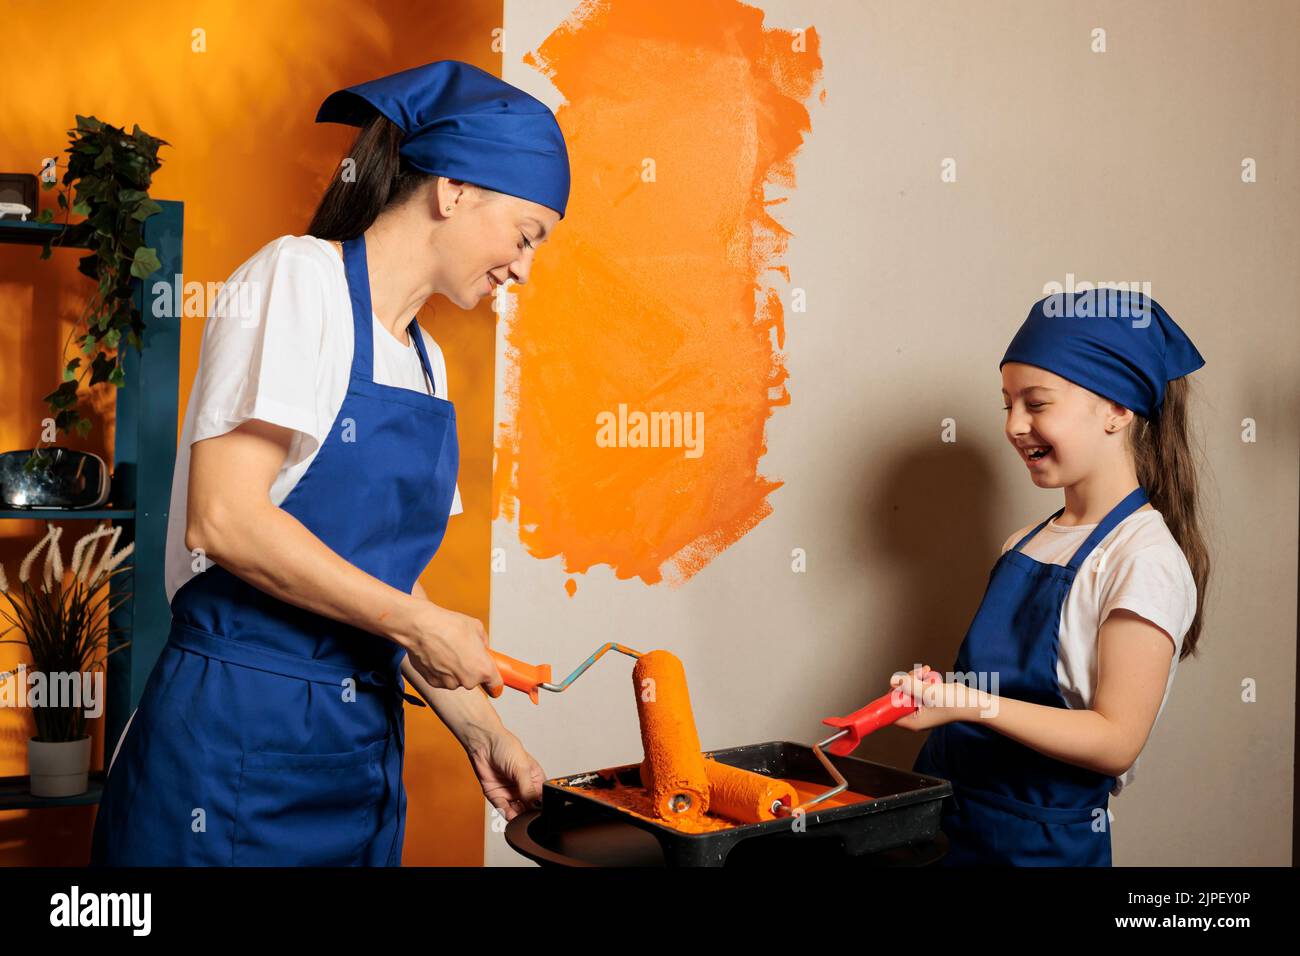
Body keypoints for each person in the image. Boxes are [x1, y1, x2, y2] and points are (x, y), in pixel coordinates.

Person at [90, 60, 569, 866]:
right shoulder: (295, 281)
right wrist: (419, 624)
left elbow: (384, 578)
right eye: (526, 235)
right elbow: (227, 518)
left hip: (353, 760)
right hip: (233, 743)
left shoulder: (424, 361)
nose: (524, 268)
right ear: (453, 189)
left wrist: (485, 732)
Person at [892, 289, 1209, 866]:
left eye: (1036, 403)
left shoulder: (1144, 559)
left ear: (1118, 409)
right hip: (950, 823)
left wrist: (967, 702)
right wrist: (944, 693)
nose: (1014, 425)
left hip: (1039, 847)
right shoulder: (1027, 542)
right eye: (1007, 403)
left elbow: (1116, 740)